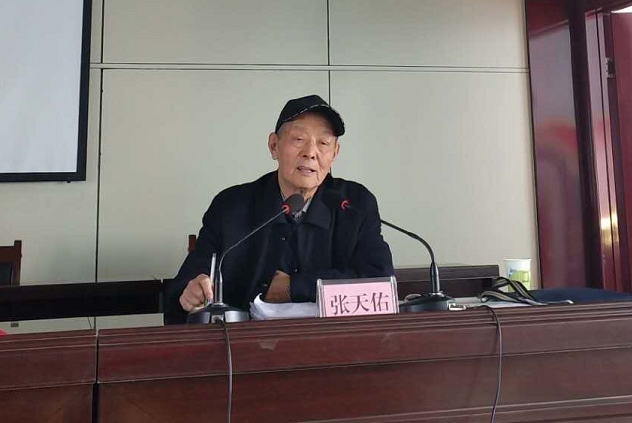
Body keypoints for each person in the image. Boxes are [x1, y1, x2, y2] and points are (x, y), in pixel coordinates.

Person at [166, 95, 393, 323]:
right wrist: (189, 295)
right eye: (298, 139)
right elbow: (185, 285)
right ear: (274, 146)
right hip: (245, 342)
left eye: (323, 143)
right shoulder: (231, 206)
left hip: (335, 339)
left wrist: (292, 288)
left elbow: (379, 282)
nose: (310, 152)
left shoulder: (354, 204)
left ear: (334, 153)